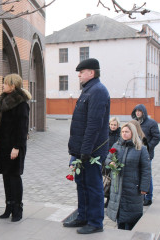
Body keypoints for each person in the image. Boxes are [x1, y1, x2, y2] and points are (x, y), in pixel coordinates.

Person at [64, 58, 110, 234]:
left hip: (92, 151)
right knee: (81, 183)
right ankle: (83, 216)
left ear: (91, 73)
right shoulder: (89, 90)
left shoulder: (97, 91)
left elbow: (94, 125)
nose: (79, 75)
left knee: (93, 185)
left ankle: (95, 222)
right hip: (83, 150)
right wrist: (76, 152)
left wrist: (85, 151)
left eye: (81, 72)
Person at [0, 74, 31, 222]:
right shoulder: (3, 101)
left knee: (14, 176)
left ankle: (17, 209)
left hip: (14, 146)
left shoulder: (21, 104)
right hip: (3, 146)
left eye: (5, 83)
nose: (3, 85)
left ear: (13, 85)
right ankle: (8, 207)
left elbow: (22, 128)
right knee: (6, 176)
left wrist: (17, 147)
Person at [106, 123, 151, 230]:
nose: (124, 134)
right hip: (117, 187)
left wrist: (144, 188)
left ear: (132, 133)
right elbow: (107, 159)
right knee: (120, 216)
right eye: (122, 132)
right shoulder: (116, 145)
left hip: (133, 188)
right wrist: (110, 163)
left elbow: (146, 170)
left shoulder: (141, 148)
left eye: (127, 132)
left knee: (132, 217)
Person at [131, 104, 160, 206]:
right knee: (137, 175)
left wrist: (147, 147)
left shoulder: (151, 123)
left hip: (147, 153)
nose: (137, 113)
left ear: (143, 112)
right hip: (135, 153)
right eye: (136, 111)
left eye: (139, 111)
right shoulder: (134, 123)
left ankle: (148, 197)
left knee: (146, 175)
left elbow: (156, 137)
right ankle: (140, 196)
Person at [104, 117, 121, 208]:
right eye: (111, 124)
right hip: (107, 160)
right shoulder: (105, 133)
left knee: (113, 182)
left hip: (116, 161)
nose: (113, 126)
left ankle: (111, 200)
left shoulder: (120, 134)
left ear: (118, 125)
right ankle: (107, 199)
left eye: (115, 125)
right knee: (107, 181)